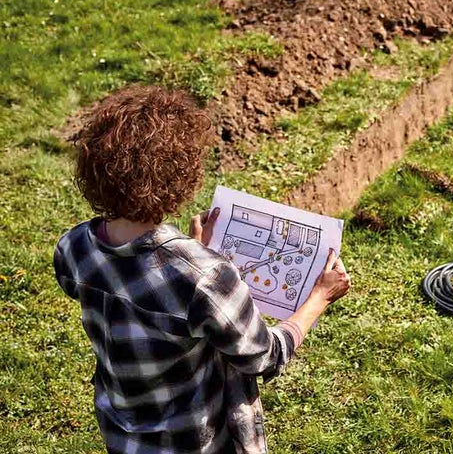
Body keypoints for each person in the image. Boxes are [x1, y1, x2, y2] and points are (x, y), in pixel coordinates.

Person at [53, 85, 350, 453]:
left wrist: (196, 250)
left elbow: (139, 284)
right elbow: (265, 357)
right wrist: (319, 297)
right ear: (180, 179)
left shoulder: (73, 246)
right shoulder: (206, 277)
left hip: (123, 434)